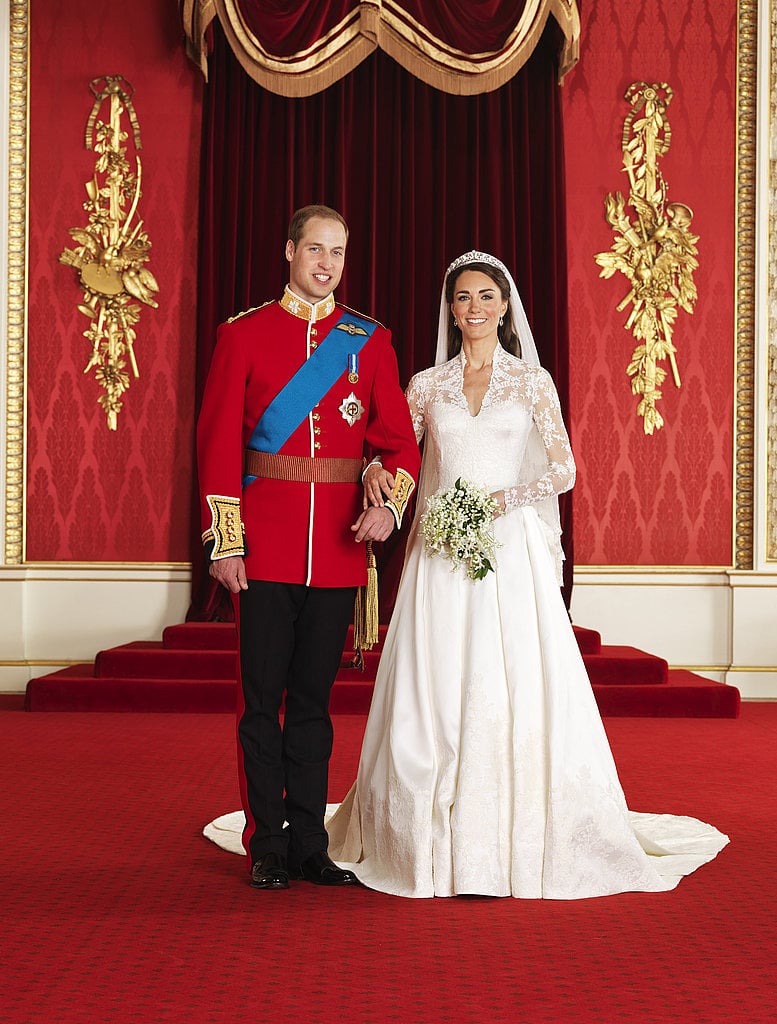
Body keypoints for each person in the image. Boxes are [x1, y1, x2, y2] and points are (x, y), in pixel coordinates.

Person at [322, 250, 729, 898]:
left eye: (485, 296)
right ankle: (426, 842)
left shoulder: (531, 383)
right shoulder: (426, 385)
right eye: (462, 298)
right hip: (440, 553)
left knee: (506, 683)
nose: (474, 308)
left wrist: (499, 502)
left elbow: (562, 470)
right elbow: (398, 454)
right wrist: (374, 470)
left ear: (505, 306)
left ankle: (508, 841)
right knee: (434, 686)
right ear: (449, 309)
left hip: (507, 551)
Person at [197, 205, 420, 891]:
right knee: (262, 704)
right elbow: (214, 447)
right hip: (262, 548)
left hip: (336, 552)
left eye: (338, 253)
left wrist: (386, 506)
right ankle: (266, 844)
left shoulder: (368, 340)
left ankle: (309, 846)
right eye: (315, 249)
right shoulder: (243, 334)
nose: (326, 264)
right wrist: (225, 544)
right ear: (290, 250)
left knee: (315, 705)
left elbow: (398, 444)